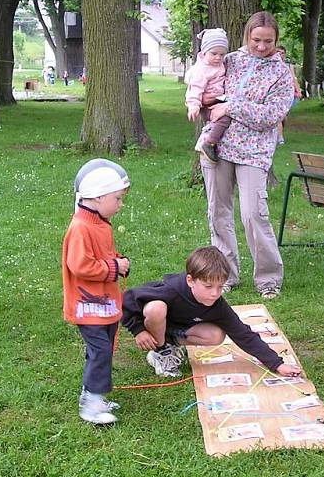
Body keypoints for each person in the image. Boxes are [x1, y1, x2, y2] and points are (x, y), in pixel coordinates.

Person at [200, 11, 294, 299]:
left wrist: (231, 107)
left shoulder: (281, 73)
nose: (262, 47)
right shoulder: (231, 61)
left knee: (254, 214)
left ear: (277, 40)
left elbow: (270, 116)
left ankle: (268, 279)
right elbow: (206, 87)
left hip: (254, 153)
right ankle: (225, 274)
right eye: (256, 40)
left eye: (268, 41)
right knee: (218, 212)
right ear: (246, 37)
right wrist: (205, 101)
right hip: (218, 147)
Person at [121, 246, 302, 378]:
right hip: (154, 321)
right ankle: (159, 352)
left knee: (216, 335)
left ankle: (172, 345)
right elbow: (127, 300)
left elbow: (243, 334)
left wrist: (277, 364)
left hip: (174, 329)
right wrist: (138, 330)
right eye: (208, 286)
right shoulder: (171, 290)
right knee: (156, 308)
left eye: (220, 286)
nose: (215, 293)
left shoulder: (217, 304)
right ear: (191, 280)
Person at [63, 159, 131, 425]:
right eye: (117, 198)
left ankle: (93, 394)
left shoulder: (100, 223)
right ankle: (91, 402)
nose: (120, 204)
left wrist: (118, 261)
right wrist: (113, 267)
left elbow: (103, 255)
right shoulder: (81, 227)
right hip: (86, 305)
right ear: (98, 197)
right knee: (100, 349)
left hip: (104, 303)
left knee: (106, 345)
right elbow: (80, 265)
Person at [185, 28, 231, 162]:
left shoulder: (219, 65)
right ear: (204, 52)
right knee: (225, 118)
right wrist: (193, 105)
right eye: (214, 53)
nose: (218, 58)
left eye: (222, 55)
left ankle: (212, 139)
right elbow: (195, 88)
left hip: (218, 100)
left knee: (226, 116)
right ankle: (209, 143)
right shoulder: (202, 70)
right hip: (207, 106)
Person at [275, 46, 302, 145]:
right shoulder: (272, 64)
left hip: (289, 95)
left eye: (282, 53)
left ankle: (279, 133)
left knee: (283, 116)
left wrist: (298, 91)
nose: (280, 54)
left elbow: (293, 79)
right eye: (278, 52)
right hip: (277, 95)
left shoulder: (288, 66)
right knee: (279, 115)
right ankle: (280, 137)